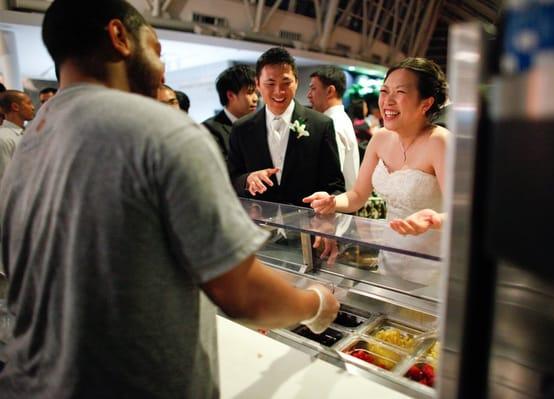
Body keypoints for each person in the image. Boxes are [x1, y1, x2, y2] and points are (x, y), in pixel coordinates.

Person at [0, 1, 339, 398]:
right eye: (157, 51)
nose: (161, 70)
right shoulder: (162, 131)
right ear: (119, 37)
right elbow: (243, 293)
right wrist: (316, 305)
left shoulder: (33, 136)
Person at [304, 58, 449, 281]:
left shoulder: (440, 142)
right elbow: (357, 195)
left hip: (433, 264)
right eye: (384, 91)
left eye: (399, 92)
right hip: (390, 254)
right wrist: (333, 202)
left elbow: (465, 215)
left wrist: (434, 220)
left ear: (426, 103)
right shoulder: (380, 138)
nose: (387, 101)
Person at [228, 47, 345, 206]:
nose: (279, 91)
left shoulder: (321, 125)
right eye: (270, 83)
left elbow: (335, 186)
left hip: (305, 224)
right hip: (258, 225)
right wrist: (247, 180)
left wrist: (327, 200)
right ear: (257, 84)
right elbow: (231, 179)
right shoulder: (242, 128)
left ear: (296, 82)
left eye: (286, 82)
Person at [307, 66, 359, 191]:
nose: (308, 95)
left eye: (313, 89)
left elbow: (332, 177)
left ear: (330, 91)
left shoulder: (333, 124)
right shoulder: (340, 118)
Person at [203, 64, 258, 159]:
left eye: (256, 93)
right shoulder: (209, 129)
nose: (256, 98)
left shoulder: (259, 122)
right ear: (230, 95)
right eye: (249, 93)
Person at [0, 90, 35, 180]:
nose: (33, 107)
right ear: (15, 107)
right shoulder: (3, 138)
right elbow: (5, 178)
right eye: (29, 103)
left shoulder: (27, 133)